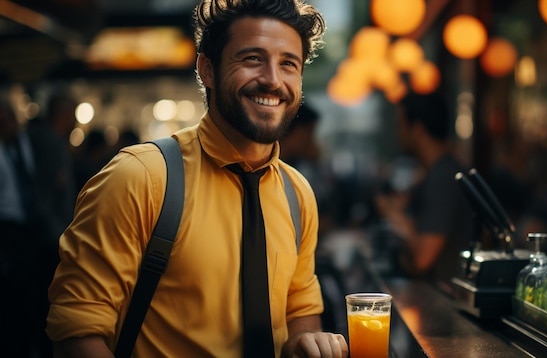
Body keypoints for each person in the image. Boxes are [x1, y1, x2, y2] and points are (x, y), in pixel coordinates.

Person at [46, 0, 348, 357]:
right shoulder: (139, 177)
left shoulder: (297, 194)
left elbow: (300, 311)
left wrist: (305, 341)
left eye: (288, 64)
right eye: (252, 58)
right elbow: (77, 332)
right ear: (207, 69)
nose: (272, 79)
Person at [375, 90, 474, 294]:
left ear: (417, 129)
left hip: (446, 303)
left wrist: (396, 216)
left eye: (401, 125)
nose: (398, 133)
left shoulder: (443, 178)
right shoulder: (441, 172)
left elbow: (422, 259)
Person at [0, 97, 41, 357]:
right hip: (6, 227)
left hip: (29, 225)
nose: (7, 126)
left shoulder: (25, 144)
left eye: (9, 121)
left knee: (30, 293)